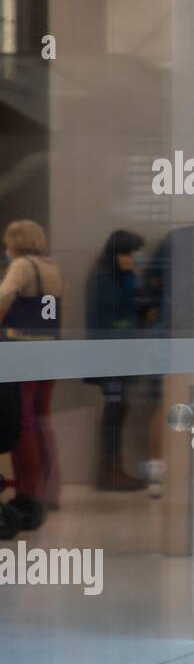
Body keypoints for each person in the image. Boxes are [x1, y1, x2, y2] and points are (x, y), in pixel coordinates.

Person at [0, 220, 64, 517]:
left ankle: (29, 493)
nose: (6, 250)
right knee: (42, 419)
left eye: (7, 244)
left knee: (21, 421)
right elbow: (49, 309)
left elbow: (3, 299)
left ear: (15, 243)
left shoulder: (22, 266)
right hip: (49, 351)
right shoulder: (53, 267)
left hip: (22, 351)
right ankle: (51, 490)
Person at [84, 229, 148, 491]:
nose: (133, 259)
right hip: (109, 358)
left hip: (120, 357)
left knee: (118, 409)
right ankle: (110, 471)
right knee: (114, 410)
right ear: (117, 254)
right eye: (129, 254)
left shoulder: (122, 278)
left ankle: (113, 468)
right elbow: (110, 320)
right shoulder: (104, 280)